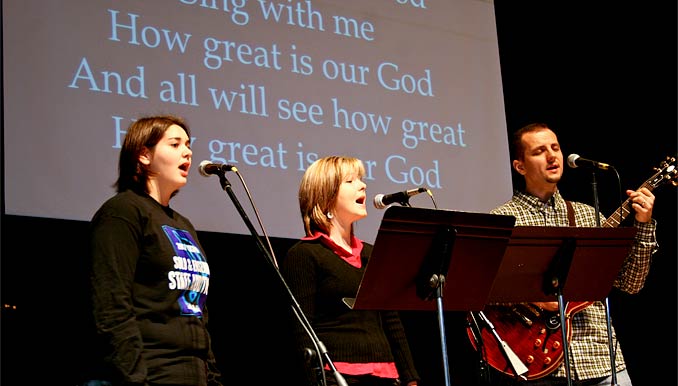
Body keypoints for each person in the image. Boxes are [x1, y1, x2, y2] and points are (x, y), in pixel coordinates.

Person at [485, 122, 658, 385]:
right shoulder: (503, 220)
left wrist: (643, 224)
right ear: (520, 166)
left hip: (600, 357)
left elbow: (630, 284)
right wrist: (533, 299)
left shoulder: (588, 215)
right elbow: (484, 294)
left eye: (555, 147)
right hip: (539, 363)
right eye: (539, 151)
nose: (552, 156)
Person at [81, 115, 223, 386]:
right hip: (151, 373)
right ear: (144, 155)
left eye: (189, 145)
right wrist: (135, 380)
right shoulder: (123, 212)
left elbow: (197, 314)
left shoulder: (184, 226)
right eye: (175, 144)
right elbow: (112, 308)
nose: (188, 152)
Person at [280, 155, 421, 386]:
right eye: (350, 181)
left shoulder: (373, 253)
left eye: (361, 179)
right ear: (325, 195)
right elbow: (301, 331)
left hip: (387, 376)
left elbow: (392, 323)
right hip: (338, 377)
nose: (363, 185)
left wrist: (410, 379)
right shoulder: (305, 254)